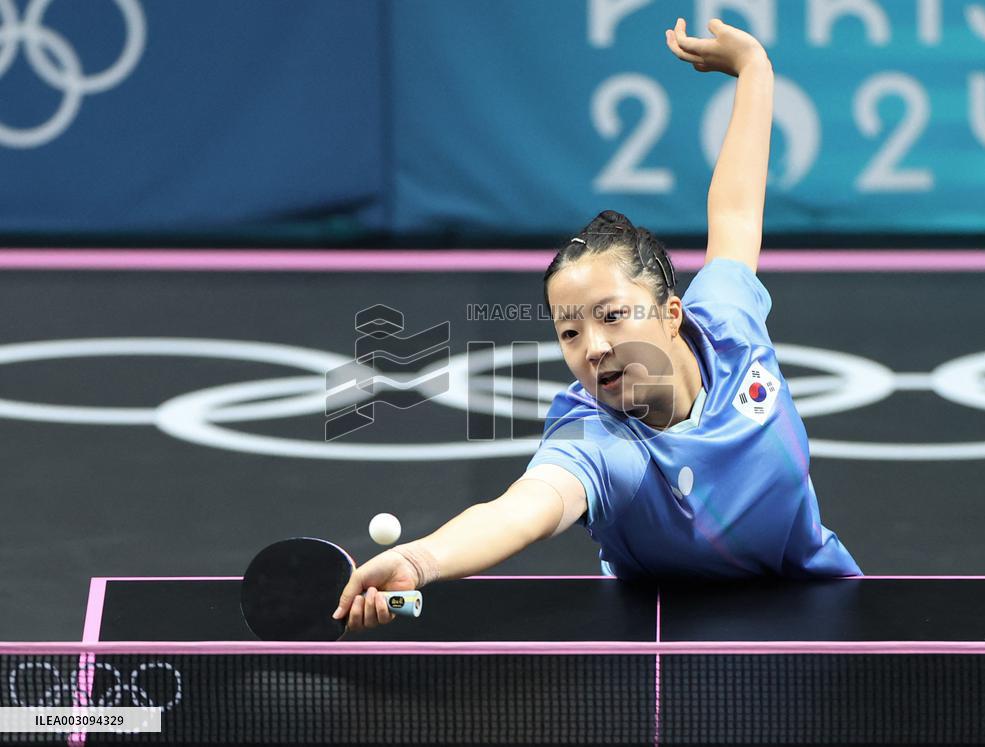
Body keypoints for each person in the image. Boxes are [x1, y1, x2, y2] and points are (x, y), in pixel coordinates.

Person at [333, 17, 860, 631]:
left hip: (820, 606)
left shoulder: (730, 322)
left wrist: (755, 70)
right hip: (667, 641)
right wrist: (421, 560)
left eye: (611, 316)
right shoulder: (603, 447)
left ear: (671, 314)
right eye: (570, 332)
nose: (595, 348)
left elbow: (737, 209)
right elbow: (526, 507)